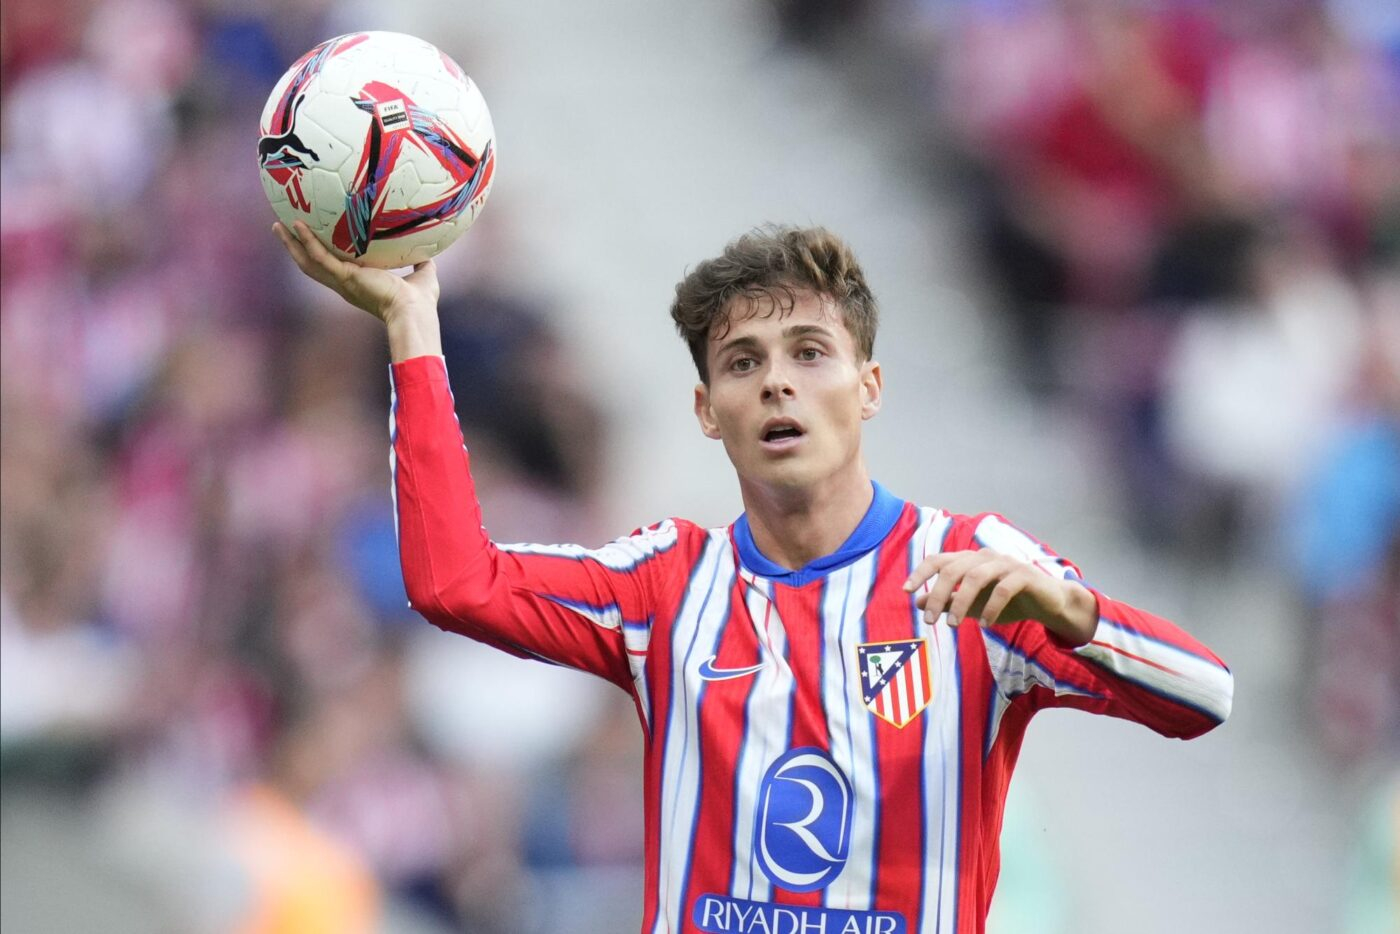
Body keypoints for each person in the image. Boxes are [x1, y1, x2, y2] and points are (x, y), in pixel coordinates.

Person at [273, 220, 1234, 934]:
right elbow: (454, 582)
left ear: (869, 387)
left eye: (810, 353)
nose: (777, 381)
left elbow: (1207, 697)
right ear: (707, 409)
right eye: (743, 362)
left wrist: (1072, 614)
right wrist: (413, 325)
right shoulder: (666, 585)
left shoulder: (978, 569)